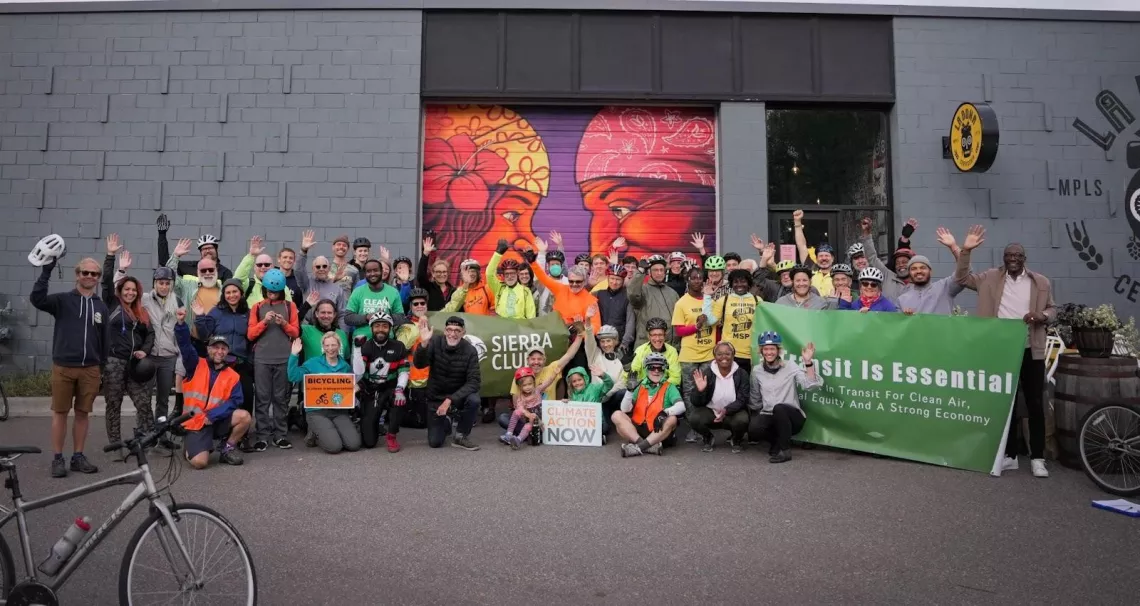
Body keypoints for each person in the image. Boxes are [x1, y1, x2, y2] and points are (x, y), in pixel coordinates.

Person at [953, 225, 1055, 478]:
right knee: (1004, 404)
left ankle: (1038, 457)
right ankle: (1009, 456)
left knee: (1034, 403)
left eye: (1017, 255)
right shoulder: (989, 278)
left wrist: (1041, 315)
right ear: (1003, 258)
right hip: (1000, 350)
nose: (1012, 259)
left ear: (1024, 259)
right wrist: (965, 250)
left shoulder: (1040, 282)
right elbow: (962, 279)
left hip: (1031, 348)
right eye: (1008, 255)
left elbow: (1053, 309)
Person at [32, 254, 108, 478]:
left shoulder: (100, 306)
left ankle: (77, 456)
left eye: (94, 274)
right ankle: (57, 458)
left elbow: (105, 340)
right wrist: (46, 271)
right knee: (60, 413)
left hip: (91, 369)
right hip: (63, 367)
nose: (90, 276)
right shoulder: (62, 300)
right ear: (77, 275)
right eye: (85, 272)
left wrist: (101, 369)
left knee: (83, 414)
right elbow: (37, 299)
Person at [100, 239, 156, 460]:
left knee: (143, 402)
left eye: (134, 290)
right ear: (120, 291)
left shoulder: (141, 313)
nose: (130, 293)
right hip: (113, 362)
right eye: (127, 289)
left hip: (135, 364)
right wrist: (110, 257)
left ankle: (146, 439)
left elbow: (150, 334)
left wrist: (145, 350)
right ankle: (115, 446)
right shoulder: (112, 306)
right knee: (113, 404)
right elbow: (105, 282)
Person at [174, 310, 249, 468]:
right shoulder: (195, 364)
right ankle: (190, 445)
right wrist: (181, 325)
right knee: (200, 463)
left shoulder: (233, 375)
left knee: (245, 417)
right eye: (215, 347)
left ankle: (227, 449)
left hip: (215, 419)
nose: (219, 352)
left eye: (223, 348)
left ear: (227, 352)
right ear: (208, 349)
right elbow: (185, 347)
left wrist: (213, 415)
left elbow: (236, 401)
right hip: (195, 423)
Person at [193, 278, 255, 450]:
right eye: (228, 292)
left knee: (247, 395)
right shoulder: (216, 312)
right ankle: (218, 431)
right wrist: (199, 317)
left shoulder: (248, 313)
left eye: (235, 292)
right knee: (223, 399)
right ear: (224, 295)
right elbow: (205, 334)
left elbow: (252, 338)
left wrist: (251, 360)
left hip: (242, 362)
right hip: (221, 361)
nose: (231, 295)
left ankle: (243, 435)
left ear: (241, 294)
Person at [247, 269, 301, 451]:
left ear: (281, 290)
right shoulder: (257, 307)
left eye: (275, 291)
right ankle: (262, 435)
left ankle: (280, 435)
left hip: (284, 358)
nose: (272, 294)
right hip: (262, 358)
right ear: (264, 290)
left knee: (281, 398)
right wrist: (264, 322)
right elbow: (250, 335)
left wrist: (283, 324)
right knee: (262, 398)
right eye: (269, 291)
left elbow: (296, 332)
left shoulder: (289, 306)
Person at [748, 332, 821, 463]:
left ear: (778, 351)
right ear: (761, 351)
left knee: (779, 408)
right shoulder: (757, 370)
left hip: (792, 417)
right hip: (769, 414)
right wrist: (756, 420)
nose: (769, 352)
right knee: (754, 428)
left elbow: (810, 385)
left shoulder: (790, 366)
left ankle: (785, 450)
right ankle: (777, 442)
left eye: (772, 349)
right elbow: (755, 399)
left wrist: (808, 362)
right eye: (765, 349)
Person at [413, 316, 482, 450]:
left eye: (457, 330)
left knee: (474, 400)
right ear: (444, 331)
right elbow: (419, 364)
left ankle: (461, 436)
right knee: (435, 442)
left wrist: (450, 400)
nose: (452, 334)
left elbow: (474, 382)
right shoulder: (434, 342)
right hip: (436, 397)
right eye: (449, 330)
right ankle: (447, 421)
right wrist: (424, 344)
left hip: (457, 397)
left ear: (463, 333)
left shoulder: (470, 351)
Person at [134, 264, 184, 448]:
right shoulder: (145, 299)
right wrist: (121, 270)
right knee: (144, 398)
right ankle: (143, 433)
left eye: (167, 283)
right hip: (150, 357)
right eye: (161, 283)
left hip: (168, 357)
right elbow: (122, 292)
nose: (164, 286)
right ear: (155, 283)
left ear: (171, 284)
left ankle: (160, 433)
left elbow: (179, 328)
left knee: (163, 399)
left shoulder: (176, 301)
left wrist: (178, 351)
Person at [288, 334, 360, 454]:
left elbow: (346, 391)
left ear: (339, 346)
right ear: (323, 347)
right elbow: (293, 376)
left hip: (339, 411)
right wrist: (294, 355)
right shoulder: (312, 363)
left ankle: (331, 430)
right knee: (334, 447)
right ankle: (314, 434)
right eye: (327, 345)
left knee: (354, 445)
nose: (330, 348)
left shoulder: (345, 367)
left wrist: (354, 389)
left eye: (333, 345)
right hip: (317, 411)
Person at [354, 312, 411, 453]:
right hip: (371, 389)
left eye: (384, 326)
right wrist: (356, 349)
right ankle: (368, 423)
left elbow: (404, 371)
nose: (380, 329)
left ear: (390, 328)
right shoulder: (365, 346)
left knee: (399, 399)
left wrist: (400, 389)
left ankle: (391, 435)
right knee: (369, 442)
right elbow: (358, 373)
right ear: (371, 328)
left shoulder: (398, 346)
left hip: (390, 387)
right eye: (377, 326)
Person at [673, 266, 715, 442]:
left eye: (700, 278)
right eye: (693, 278)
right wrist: (696, 327)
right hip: (689, 355)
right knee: (690, 393)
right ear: (688, 280)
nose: (697, 280)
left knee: (707, 392)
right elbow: (678, 331)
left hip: (709, 354)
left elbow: (716, 325)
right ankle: (693, 428)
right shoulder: (682, 303)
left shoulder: (710, 300)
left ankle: (706, 426)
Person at [612, 353, 684, 457]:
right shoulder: (639, 385)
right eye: (652, 367)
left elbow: (681, 406)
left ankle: (638, 447)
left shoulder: (670, 387)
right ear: (646, 369)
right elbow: (625, 409)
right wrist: (630, 391)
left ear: (664, 370)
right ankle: (647, 446)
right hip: (638, 431)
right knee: (616, 415)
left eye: (660, 368)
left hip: (659, 431)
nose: (656, 371)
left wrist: (664, 413)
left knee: (673, 419)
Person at [688, 342, 750, 453]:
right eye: (719, 354)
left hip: (732, 413)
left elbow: (743, 399)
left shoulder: (742, 374)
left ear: (733, 355)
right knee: (694, 417)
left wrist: (727, 410)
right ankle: (708, 437)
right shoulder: (707, 373)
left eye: (727, 353)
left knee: (743, 420)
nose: (723, 357)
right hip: (712, 413)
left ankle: (736, 439)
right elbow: (695, 402)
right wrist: (700, 391)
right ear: (715, 357)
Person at [896, 227, 966, 315]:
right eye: (914, 269)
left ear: (930, 271)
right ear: (909, 274)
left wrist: (954, 247)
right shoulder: (901, 300)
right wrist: (906, 319)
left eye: (923, 267)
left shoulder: (945, 287)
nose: (918, 271)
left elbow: (964, 272)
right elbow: (899, 326)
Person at [165, 239, 222, 342]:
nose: (208, 273)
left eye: (211, 269)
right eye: (203, 270)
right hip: (191, 341)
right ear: (197, 272)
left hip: (216, 343)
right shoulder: (188, 286)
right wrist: (175, 256)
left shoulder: (223, 289)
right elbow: (169, 277)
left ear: (216, 270)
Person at [703, 269, 758, 372]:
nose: (739, 285)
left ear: (749, 283)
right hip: (729, 355)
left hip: (752, 355)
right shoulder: (724, 300)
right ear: (731, 284)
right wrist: (707, 296)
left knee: (749, 387)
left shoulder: (758, 300)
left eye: (743, 281)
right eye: (736, 282)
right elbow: (709, 321)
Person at [156, 214, 233, 281]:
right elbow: (165, 263)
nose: (207, 251)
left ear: (216, 250)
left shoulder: (225, 273)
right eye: (203, 249)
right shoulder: (189, 267)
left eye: (210, 248)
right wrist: (162, 234)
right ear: (200, 252)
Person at [583, 324, 627, 439]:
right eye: (602, 341)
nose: (605, 344)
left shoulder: (621, 360)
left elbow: (622, 382)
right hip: (597, 400)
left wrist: (607, 394)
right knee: (604, 429)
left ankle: (623, 417)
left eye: (609, 341)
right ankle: (606, 422)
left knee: (623, 392)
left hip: (612, 397)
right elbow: (589, 343)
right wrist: (587, 324)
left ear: (616, 341)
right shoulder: (595, 355)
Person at [345, 259, 405, 340]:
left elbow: (401, 318)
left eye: (375, 270)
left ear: (381, 271)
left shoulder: (393, 292)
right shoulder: (357, 292)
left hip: (386, 341)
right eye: (369, 271)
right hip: (362, 340)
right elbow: (348, 318)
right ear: (365, 274)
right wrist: (367, 317)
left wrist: (385, 317)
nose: (372, 274)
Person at [627, 254, 679, 349]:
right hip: (647, 346)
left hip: (670, 347)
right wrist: (640, 271)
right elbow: (632, 294)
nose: (659, 273)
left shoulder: (672, 293)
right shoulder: (642, 290)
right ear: (649, 272)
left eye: (661, 270)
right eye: (655, 270)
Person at [501, 367, 558, 449]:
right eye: (524, 385)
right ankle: (511, 435)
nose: (528, 387)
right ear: (520, 386)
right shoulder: (520, 397)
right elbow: (521, 409)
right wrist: (529, 415)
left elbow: (547, 382)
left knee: (529, 425)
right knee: (516, 412)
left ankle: (521, 438)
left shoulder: (537, 390)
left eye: (530, 384)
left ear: (534, 383)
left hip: (539, 420)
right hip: (527, 419)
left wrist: (554, 374)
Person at [854, 216, 908, 301]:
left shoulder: (919, 282)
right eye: (897, 263)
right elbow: (872, 257)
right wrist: (867, 234)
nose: (901, 265)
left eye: (905, 262)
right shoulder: (887, 275)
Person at [235, 237, 295, 307]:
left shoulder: (282, 287)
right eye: (259, 265)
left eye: (267, 265)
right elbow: (237, 279)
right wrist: (251, 255)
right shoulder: (248, 284)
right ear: (254, 267)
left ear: (272, 267)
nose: (263, 267)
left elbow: (289, 310)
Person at [486, 239, 536, 319]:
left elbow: (531, 316)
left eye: (512, 273)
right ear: (503, 275)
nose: (509, 276)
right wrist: (498, 253)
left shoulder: (525, 291)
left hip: (519, 329)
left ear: (517, 274)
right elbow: (489, 274)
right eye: (507, 274)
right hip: (502, 329)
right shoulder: (499, 288)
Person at [791, 210, 834, 297]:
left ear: (832, 258)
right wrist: (797, 222)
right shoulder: (811, 268)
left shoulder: (838, 275)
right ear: (816, 258)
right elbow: (801, 245)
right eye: (821, 256)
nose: (824, 258)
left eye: (827, 256)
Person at [595, 262, 635, 355]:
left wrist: (625, 343)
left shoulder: (627, 297)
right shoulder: (599, 294)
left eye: (618, 279)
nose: (614, 282)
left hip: (619, 342)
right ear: (608, 278)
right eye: (612, 278)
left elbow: (630, 321)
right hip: (601, 341)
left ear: (623, 280)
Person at [630, 317, 681, 386]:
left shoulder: (672, 351)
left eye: (660, 335)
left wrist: (658, 387)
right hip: (644, 387)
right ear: (649, 336)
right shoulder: (640, 350)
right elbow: (634, 373)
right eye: (654, 335)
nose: (657, 339)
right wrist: (627, 369)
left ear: (665, 335)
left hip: (665, 389)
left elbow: (676, 377)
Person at [417, 236, 454, 312]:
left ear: (448, 273)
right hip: (433, 322)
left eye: (444, 272)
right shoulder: (428, 288)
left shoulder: (454, 291)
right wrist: (425, 254)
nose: (441, 274)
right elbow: (421, 276)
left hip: (449, 323)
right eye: (438, 272)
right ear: (433, 274)